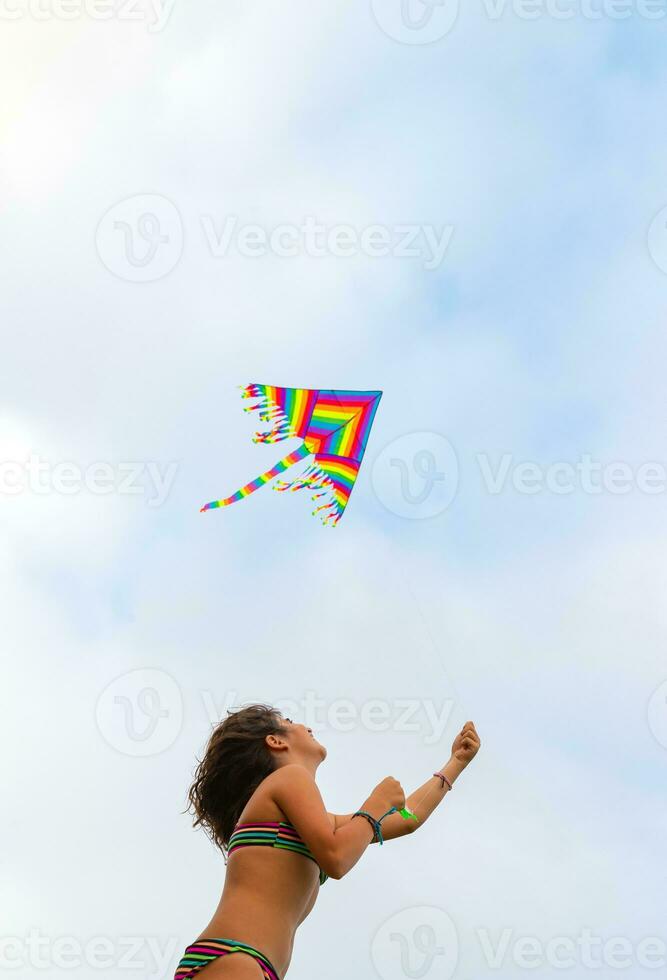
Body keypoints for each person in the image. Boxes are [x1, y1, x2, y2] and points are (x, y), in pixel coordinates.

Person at [175, 704, 481, 980]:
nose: (304, 725)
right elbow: (336, 857)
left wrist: (456, 762)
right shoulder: (290, 778)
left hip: (241, 961)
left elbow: (408, 818)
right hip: (235, 958)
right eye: (289, 720)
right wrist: (372, 807)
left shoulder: (316, 821)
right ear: (276, 740)